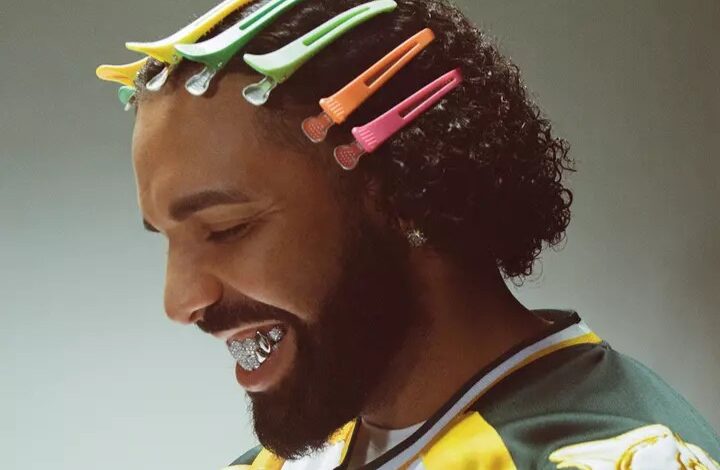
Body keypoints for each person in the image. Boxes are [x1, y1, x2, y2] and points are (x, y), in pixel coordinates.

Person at [98, 0, 720, 468]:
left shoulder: (616, 456)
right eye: (166, 238)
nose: (179, 302)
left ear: (399, 192)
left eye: (226, 229)